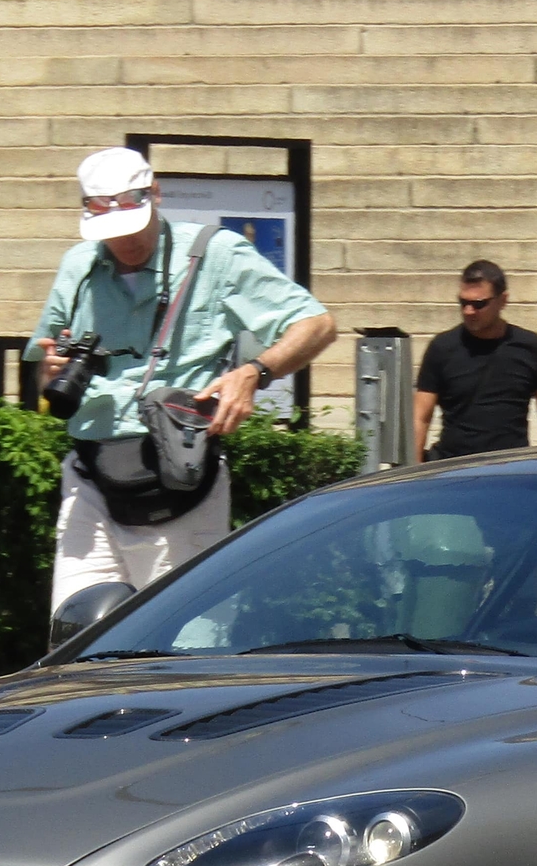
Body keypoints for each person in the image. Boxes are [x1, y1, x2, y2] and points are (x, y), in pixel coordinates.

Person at [29, 147, 335, 614]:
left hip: (179, 481)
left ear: (156, 194)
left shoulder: (216, 255)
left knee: (177, 650)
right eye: (110, 232)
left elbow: (316, 325)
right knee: (75, 636)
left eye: (133, 224)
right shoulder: (78, 266)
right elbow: (42, 366)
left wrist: (255, 373)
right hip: (90, 478)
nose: (124, 242)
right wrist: (48, 372)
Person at [413, 261, 537, 461]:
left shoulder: (528, 346)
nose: (468, 311)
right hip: (452, 467)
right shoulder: (442, 348)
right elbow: (420, 416)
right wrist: (413, 473)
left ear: (503, 300)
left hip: (510, 468)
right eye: (463, 302)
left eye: (478, 304)